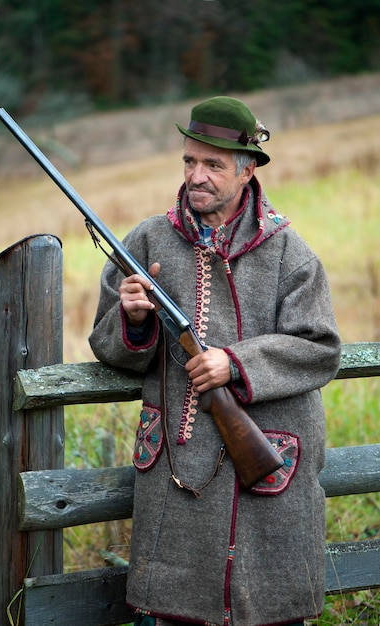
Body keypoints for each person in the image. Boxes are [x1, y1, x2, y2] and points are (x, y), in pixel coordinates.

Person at [89, 96, 342, 626]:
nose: (196, 176)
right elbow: (108, 346)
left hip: (270, 453)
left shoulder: (290, 253)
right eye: (189, 161)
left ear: (247, 171)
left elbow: (320, 347)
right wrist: (134, 321)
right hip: (178, 467)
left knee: (267, 599)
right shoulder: (145, 241)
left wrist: (235, 363)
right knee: (173, 607)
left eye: (213, 165)